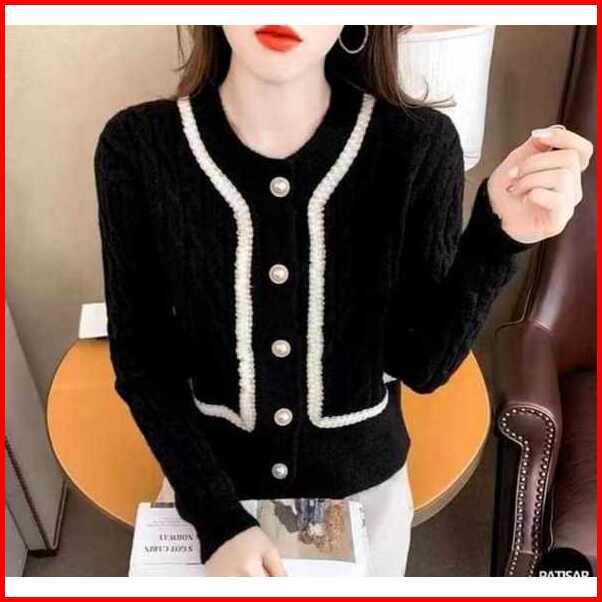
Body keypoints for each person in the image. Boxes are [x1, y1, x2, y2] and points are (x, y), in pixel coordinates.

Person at [94, 25, 593, 577]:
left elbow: (423, 365)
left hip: (362, 502)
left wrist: (498, 237)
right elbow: (143, 361)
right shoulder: (139, 147)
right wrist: (216, 520)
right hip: (206, 490)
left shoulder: (417, 146)